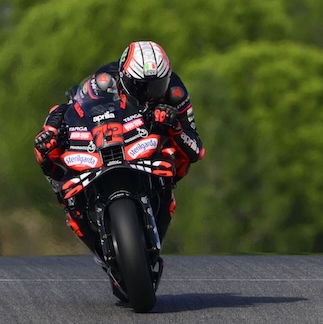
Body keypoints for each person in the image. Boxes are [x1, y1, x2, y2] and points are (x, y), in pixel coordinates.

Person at [32, 40, 204, 299]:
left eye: (157, 85)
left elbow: (196, 149)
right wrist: (53, 129)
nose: (151, 93)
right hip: (116, 142)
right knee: (44, 151)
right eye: (141, 86)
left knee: (179, 159)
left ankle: (161, 193)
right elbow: (71, 108)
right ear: (125, 78)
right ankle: (74, 205)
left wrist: (174, 126)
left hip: (151, 146)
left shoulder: (175, 93)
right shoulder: (104, 80)